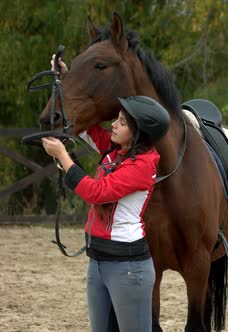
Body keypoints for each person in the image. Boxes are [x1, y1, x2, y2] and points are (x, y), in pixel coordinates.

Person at [42, 56, 170, 332]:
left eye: (121, 122)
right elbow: (87, 127)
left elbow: (95, 192)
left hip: (127, 267)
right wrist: (65, 79)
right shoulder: (117, 152)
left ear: (136, 134)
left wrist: (64, 157)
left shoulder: (141, 166)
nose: (113, 125)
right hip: (98, 260)